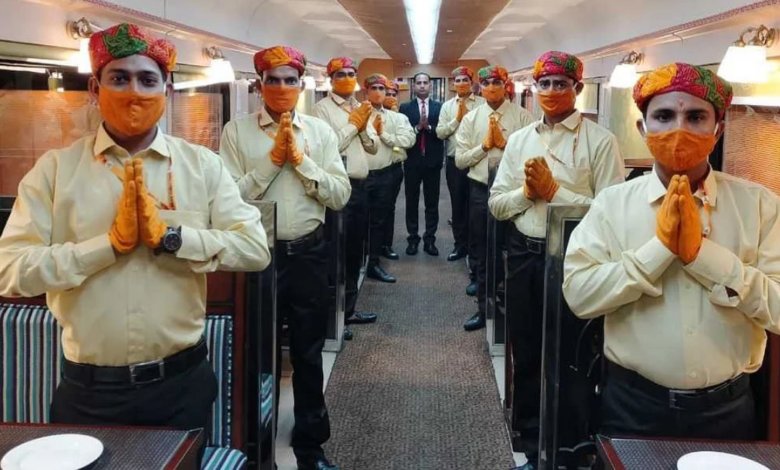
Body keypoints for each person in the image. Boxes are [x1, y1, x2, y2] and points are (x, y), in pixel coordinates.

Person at [0, 22, 270, 459]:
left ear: (167, 90)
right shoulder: (55, 171)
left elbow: (255, 249)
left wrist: (174, 239)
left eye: (147, 80)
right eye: (119, 78)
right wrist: (106, 247)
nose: (134, 92)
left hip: (180, 385)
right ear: (95, 88)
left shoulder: (201, 166)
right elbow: (9, 270)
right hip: (89, 391)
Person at [563, 63, 780, 442]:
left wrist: (706, 258)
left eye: (695, 117)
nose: (679, 129)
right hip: (633, 405)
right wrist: (658, 251)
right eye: (664, 116)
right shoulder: (611, 205)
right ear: (643, 128)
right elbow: (580, 295)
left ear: (718, 129)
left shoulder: (760, 206)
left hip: (728, 408)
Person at [488, 51, 625, 469]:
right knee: (527, 351)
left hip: (575, 260)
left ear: (577, 88)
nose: (551, 91)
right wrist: (527, 194)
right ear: (534, 88)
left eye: (560, 84)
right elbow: (497, 204)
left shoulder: (601, 141)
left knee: (571, 357)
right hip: (526, 256)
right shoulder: (520, 140)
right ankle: (532, 445)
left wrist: (556, 195)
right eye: (544, 84)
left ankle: (570, 448)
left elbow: (612, 215)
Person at [219, 45, 351, 470]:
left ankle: (310, 448)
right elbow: (227, 199)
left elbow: (339, 194)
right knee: (260, 354)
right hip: (257, 258)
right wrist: (272, 163)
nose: (281, 87)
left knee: (308, 353)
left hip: (309, 252)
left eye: (289, 80)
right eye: (272, 80)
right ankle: (258, 449)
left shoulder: (321, 133)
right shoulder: (236, 133)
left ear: (301, 84)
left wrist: (302, 163)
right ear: (259, 85)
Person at [456, 65, 535, 333]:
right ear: (479, 87)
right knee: (483, 249)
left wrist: (507, 146)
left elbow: (533, 156)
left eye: (497, 82)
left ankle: (510, 307)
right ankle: (484, 309)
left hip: (517, 193)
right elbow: (460, 160)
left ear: (506, 85)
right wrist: (484, 147)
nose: (491, 87)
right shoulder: (471, 119)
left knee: (513, 248)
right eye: (486, 83)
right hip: (481, 190)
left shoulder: (523, 117)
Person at [314, 57, 380, 330]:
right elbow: (328, 147)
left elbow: (373, 146)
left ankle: (348, 309)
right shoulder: (321, 110)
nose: (347, 78)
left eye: (351, 74)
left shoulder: (360, 107)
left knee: (354, 251)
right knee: (336, 252)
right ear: (330, 79)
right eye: (340, 74)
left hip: (360, 188)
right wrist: (353, 125)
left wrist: (362, 127)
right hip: (338, 188)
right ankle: (332, 317)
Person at [364, 73, 416, 273]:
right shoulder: (359, 115)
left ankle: (379, 254)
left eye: (382, 89)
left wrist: (384, 135)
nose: (378, 92)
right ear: (366, 91)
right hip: (362, 173)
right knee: (361, 217)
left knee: (384, 214)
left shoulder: (398, 117)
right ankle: (363, 256)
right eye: (374, 88)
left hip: (389, 171)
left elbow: (407, 141)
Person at [437, 66, 485, 263]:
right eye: (457, 80)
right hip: (454, 163)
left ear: (471, 83)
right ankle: (460, 245)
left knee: (476, 206)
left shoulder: (483, 104)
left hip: (478, 161)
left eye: (465, 79)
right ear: (453, 84)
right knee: (457, 205)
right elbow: (440, 133)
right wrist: (457, 120)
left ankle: (475, 247)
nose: (461, 83)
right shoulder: (447, 107)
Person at [400, 72, 444, 256]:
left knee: (432, 203)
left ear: (431, 86)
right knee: (411, 202)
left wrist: (430, 128)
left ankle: (430, 240)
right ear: (414, 86)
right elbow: (402, 133)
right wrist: (418, 128)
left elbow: (443, 132)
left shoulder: (440, 107)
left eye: (426, 82)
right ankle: (413, 239)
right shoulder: (405, 108)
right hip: (412, 162)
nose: (422, 85)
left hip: (433, 162)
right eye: (419, 82)